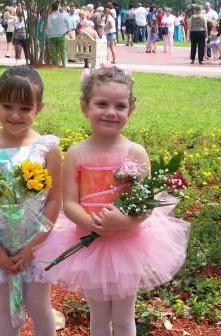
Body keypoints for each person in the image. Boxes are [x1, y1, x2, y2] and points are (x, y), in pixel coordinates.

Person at [35, 66, 190, 336]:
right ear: (85, 107)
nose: (110, 112)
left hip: (126, 243)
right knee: (98, 317)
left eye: (120, 106)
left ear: (130, 111)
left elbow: (146, 204)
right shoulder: (76, 153)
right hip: (89, 244)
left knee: (123, 317)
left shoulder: (135, 152)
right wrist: (90, 221)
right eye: (102, 104)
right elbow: (69, 203)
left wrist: (124, 220)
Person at [0, 65, 62, 336]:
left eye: (25, 108)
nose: (15, 115)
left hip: (36, 244)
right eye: (7, 105)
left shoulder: (47, 148)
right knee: (5, 308)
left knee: (37, 305)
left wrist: (33, 247)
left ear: (40, 107)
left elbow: (55, 200)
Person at [46, 1, 71, 66]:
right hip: (61, 34)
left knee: (54, 52)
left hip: (52, 35)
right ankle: (64, 64)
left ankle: (55, 65)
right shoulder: (62, 14)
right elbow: (68, 22)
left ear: (52, 7)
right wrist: (68, 30)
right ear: (58, 7)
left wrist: (48, 33)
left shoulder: (49, 16)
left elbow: (46, 25)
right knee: (63, 50)